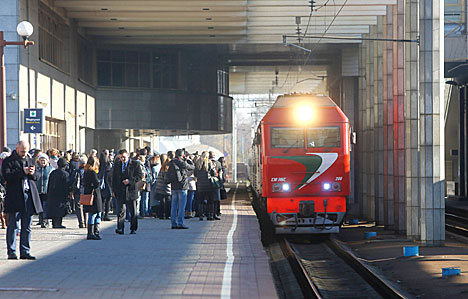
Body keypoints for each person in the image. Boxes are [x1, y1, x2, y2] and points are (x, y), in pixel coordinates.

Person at [3, 140, 43, 260]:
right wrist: (22, 172)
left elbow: (37, 177)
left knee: (27, 226)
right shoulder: (9, 161)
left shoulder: (30, 159)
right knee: (13, 225)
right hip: (15, 196)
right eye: (22, 151)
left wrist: (32, 173)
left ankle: (25, 251)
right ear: (17, 148)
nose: (24, 154)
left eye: (25, 151)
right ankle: (12, 251)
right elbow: (6, 176)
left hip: (29, 195)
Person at [112, 150, 143, 235]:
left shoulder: (135, 164)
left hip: (131, 190)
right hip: (120, 191)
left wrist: (130, 181)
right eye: (121, 157)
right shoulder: (117, 165)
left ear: (128, 156)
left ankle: (133, 228)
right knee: (121, 211)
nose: (123, 159)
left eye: (124, 157)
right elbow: (113, 178)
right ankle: (120, 228)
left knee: (133, 211)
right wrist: (114, 190)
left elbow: (139, 176)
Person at [167, 149, 194, 229]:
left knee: (174, 206)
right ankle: (180, 223)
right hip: (182, 186)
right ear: (182, 155)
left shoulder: (172, 162)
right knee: (182, 206)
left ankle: (173, 223)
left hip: (173, 186)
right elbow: (192, 167)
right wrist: (188, 159)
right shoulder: (182, 162)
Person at [46, 158, 71, 229]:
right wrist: (68, 194)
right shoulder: (65, 174)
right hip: (61, 194)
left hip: (53, 193)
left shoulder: (53, 173)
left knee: (54, 208)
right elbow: (67, 185)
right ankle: (58, 223)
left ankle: (55, 223)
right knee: (59, 209)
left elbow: (49, 184)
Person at [83, 156, 103, 240]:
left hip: (89, 193)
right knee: (94, 213)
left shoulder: (86, 171)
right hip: (94, 195)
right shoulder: (92, 172)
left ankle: (93, 232)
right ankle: (92, 232)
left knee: (95, 213)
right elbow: (96, 183)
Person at [194, 152, 217, 221]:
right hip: (209, 185)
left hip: (200, 185)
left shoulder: (197, 163)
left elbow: (195, 174)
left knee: (201, 201)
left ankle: (201, 215)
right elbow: (213, 173)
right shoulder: (209, 163)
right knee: (210, 201)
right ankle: (210, 215)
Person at [35, 153, 53, 228]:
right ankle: (41, 220)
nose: (43, 162)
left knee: (45, 206)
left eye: (44, 160)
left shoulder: (50, 169)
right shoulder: (37, 169)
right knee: (39, 206)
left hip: (46, 190)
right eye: (41, 160)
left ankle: (45, 221)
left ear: (47, 161)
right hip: (38, 190)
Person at [71, 155, 87, 228]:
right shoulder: (88, 171)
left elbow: (72, 181)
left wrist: (71, 191)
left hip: (78, 191)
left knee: (79, 206)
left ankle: (81, 222)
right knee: (85, 206)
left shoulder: (76, 171)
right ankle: (86, 222)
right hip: (86, 190)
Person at [155, 154, 171, 219]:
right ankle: (167, 215)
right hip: (166, 188)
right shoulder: (166, 169)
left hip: (159, 187)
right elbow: (166, 179)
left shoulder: (161, 167)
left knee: (162, 202)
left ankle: (160, 215)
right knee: (168, 202)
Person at [98, 150, 112, 221]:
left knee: (102, 200)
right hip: (107, 184)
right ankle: (105, 214)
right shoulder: (107, 165)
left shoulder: (99, 164)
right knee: (107, 200)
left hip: (102, 184)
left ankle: (102, 214)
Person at [209, 151, 222, 218]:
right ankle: (215, 213)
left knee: (210, 200)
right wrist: (221, 183)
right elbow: (220, 175)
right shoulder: (218, 163)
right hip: (216, 183)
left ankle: (209, 214)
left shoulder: (206, 163)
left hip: (208, 183)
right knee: (216, 199)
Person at [186, 153, 196, 218]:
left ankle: (187, 211)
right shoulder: (192, 166)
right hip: (191, 184)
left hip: (186, 184)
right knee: (190, 199)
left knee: (187, 199)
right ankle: (189, 211)